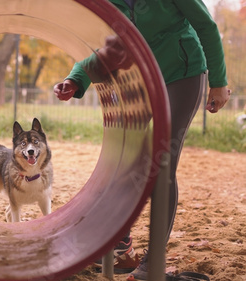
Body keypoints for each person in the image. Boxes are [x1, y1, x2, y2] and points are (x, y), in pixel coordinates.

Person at [53, 1, 231, 280]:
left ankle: (151, 264)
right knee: (124, 162)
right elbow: (108, 47)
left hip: (181, 75)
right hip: (138, 80)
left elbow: (206, 26)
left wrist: (218, 82)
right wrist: (76, 78)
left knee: (161, 166)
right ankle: (121, 247)